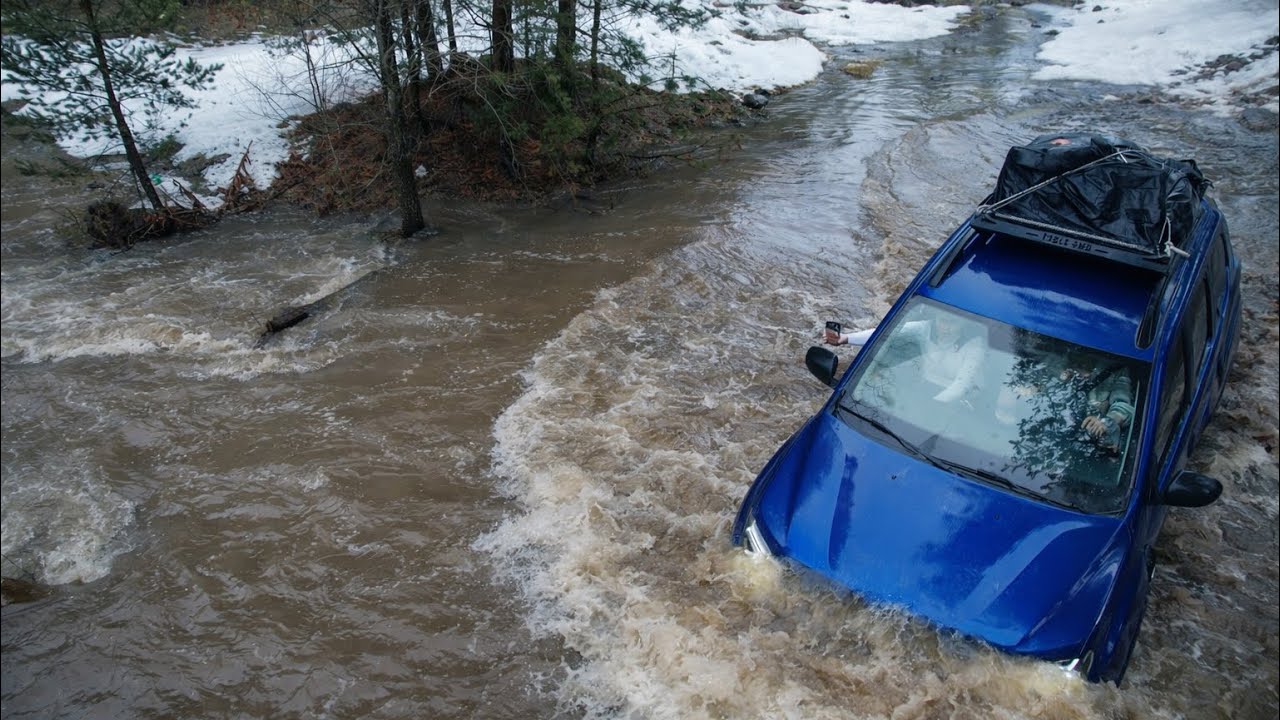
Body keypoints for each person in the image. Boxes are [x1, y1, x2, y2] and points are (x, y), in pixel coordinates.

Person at [824, 310, 986, 404]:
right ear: (936, 318)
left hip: (961, 402)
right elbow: (886, 333)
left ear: (964, 324)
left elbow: (961, 385)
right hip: (924, 392)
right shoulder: (926, 329)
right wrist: (846, 339)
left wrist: (933, 404)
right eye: (943, 321)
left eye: (953, 323)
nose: (946, 328)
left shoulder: (975, 346)